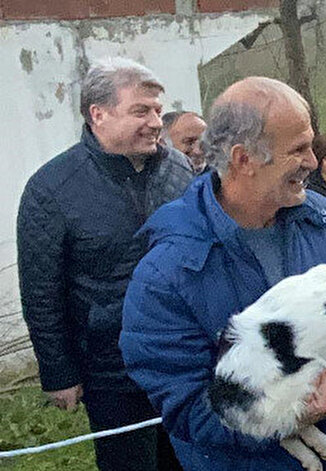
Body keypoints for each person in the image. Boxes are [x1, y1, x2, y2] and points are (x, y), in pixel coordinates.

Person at [119, 76, 326, 470]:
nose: (314, 163)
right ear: (244, 159)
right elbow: (187, 408)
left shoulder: (323, 219)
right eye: (298, 149)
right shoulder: (168, 274)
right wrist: (285, 416)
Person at [17, 57, 193, 470]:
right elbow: (42, 291)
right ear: (98, 114)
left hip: (182, 358)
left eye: (156, 109)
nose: (155, 121)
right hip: (111, 370)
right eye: (140, 111)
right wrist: (59, 372)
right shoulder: (51, 189)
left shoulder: (179, 169)